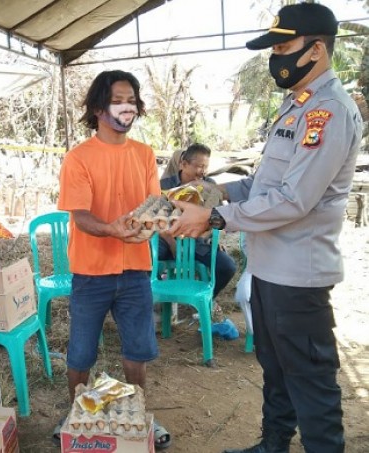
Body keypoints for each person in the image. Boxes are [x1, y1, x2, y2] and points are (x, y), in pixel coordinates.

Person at [167, 4, 362, 453]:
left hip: (298, 277)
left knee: (310, 381)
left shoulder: (327, 113)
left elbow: (294, 200)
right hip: (269, 268)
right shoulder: (297, 106)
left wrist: (214, 217)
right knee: (275, 368)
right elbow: (261, 183)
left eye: (284, 48)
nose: (276, 58)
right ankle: (273, 444)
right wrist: (210, 190)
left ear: (317, 50)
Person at [55, 70, 171, 450]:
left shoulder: (144, 154)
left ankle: (136, 416)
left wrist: (153, 226)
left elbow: (154, 204)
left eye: (133, 100)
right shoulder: (79, 158)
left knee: (138, 348)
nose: (128, 107)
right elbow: (80, 215)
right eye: (119, 99)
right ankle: (77, 415)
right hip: (90, 272)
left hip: (136, 268)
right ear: (98, 107)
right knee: (81, 351)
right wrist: (113, 230)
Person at [158, 143, 236, 301]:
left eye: (205, 167)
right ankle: (157, 298)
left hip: (198, 241)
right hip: (167, 239)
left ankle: (205, 300)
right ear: (183, 164)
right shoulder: (164, 186)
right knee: (143, 261)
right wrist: (173, 244)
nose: (203, 172)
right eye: (199, 166)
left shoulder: (210, 185)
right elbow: (158, 221)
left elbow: (217, 217)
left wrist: (214, 236)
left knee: (227, 266)